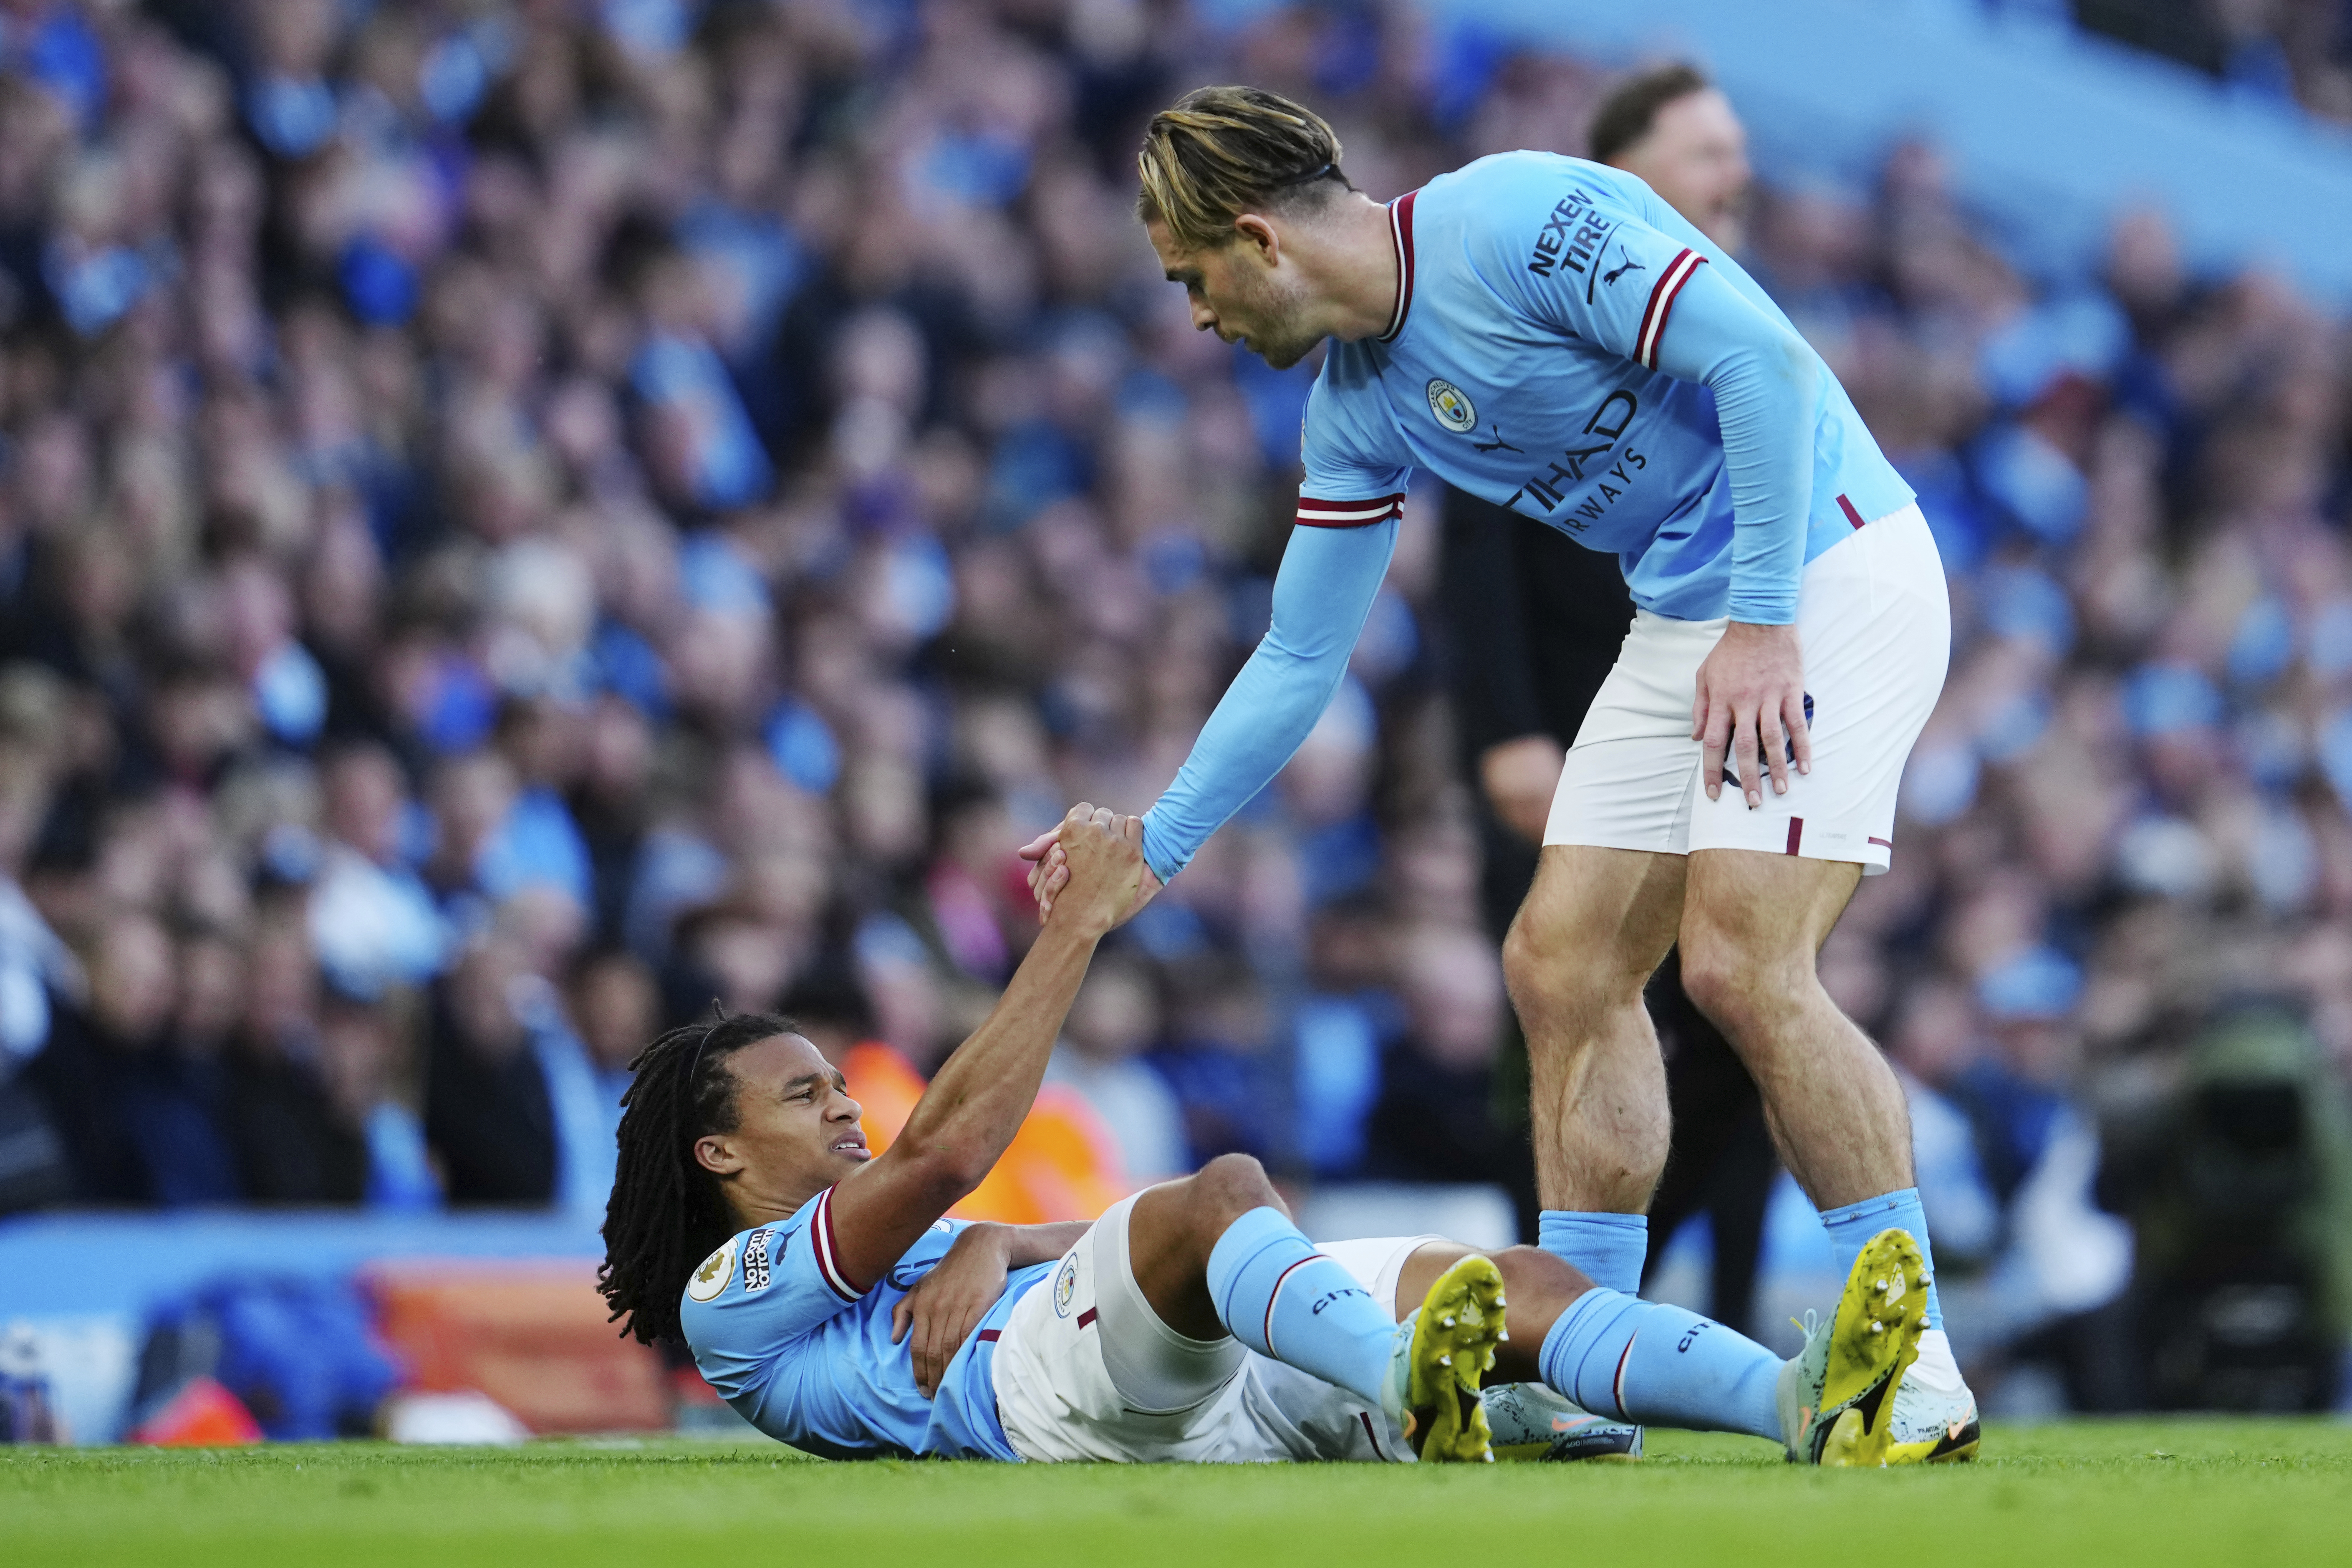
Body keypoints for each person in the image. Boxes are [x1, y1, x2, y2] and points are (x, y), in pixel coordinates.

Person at [1021, 86, 1977, 1462]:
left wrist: (1764, 621)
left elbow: (1759, 367)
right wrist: (1153, 851)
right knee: (1560, 961)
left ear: (1254, 238)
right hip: (1695, 610)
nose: (1198, 318)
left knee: (1736, 963)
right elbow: (1298, 658)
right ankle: (1582, 1357)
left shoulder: (1519, 216)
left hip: (1825, 567)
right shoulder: (1357, 407)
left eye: (1193, 281)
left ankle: (1917, 1358)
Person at [596, 805, 1932, 1467]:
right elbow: (939, 1153)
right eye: (799, 1095)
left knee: (1522, 1283)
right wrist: (1075, 926)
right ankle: (1425, 1381)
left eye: (835, 1079)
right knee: (1221, 1189)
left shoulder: (876, 1257)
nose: (841, 1103)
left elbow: (1017, 1220)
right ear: (715, 1156)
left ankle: (1800, 1405)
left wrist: (996, 1240)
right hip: (1042, 1405)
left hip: (1192, 1395)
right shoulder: (731, 1296)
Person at [1441, 63, 1772, 1337]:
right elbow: (1476, 551)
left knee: (1744, 1017)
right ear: (1627, 179)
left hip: (1718, 733)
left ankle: (1714, 1325)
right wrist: (1504, 733)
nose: (1736, 176)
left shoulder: (1735, 316)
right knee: (1565, 1016)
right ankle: (1551, 1314)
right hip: (1567, 738)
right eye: (1707, 152)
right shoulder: (1547, 317)